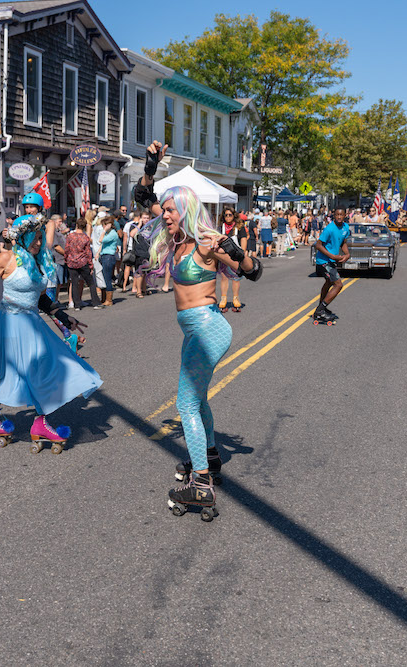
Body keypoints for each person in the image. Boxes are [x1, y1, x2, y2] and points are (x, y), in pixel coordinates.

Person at [132, 140, 262, 520]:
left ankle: (201, 484)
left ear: (184, 211)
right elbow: (143, 194)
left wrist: (236, 251)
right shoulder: (176, 239)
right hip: (194, 331)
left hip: (209, 328)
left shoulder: (206, 244)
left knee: (185, 403)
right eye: (164, 209)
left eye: (170, 210)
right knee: (198, 399)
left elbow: (253, 272)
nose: (165, 215)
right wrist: (152, 165)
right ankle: (209, 456)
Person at [0, 215, 99, 452]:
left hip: (31, 320)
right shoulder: (7, 257)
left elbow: (42, 299)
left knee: (46, 368)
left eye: (39, 238)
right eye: (33, 238)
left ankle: (38, 422)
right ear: (22, 237)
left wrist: (66, 318)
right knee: (18, 373)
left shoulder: (37, 261)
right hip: (11, 322)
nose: (37, 243)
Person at [312, 208, 351, 324]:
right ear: (334, 215)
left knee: (329, 283)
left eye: (341, 214)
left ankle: (321, 307)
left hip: (331, 261)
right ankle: (320, 310)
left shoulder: (346, 228)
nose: (339, 217)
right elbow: (318, 245)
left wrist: (347, 254)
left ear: (345, 215)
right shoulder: (329, 229)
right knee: (338, 285)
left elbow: (343, 242)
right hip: (323, 261)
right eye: (337, 215)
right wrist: (332, 256)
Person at [64, 218, 102, 309]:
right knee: (91, 283)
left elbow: (67, 249)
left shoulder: (70, 236)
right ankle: (95, 302)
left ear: (76, 225)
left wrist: (66, 259)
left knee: (74, 283)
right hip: (83, 262)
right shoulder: (85, 238)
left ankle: (76, 304)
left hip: (72, 262)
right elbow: (88, 253)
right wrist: (91, 265)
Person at [217, 207, 247, 313]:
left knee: (235, 278)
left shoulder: (239, 227)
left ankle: (236, 298)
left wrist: (243, 254)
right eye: (226, 215)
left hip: (236, 255)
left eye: (230, 215)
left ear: (234, 216)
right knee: (224, 277)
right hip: (224, 255)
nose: (228, 217)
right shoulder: (221, 228)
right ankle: (223, 298)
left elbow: (243, 239)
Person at [98, 215, 120, 307]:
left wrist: (104, 230)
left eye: (104, 225)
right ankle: (104, 298)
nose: (103, 227)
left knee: (107, 278)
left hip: (108, 257)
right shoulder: (109, 233)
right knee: (104, 277)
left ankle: (109, 299)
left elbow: (100, 240)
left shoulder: (112, 234)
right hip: (104, 256)